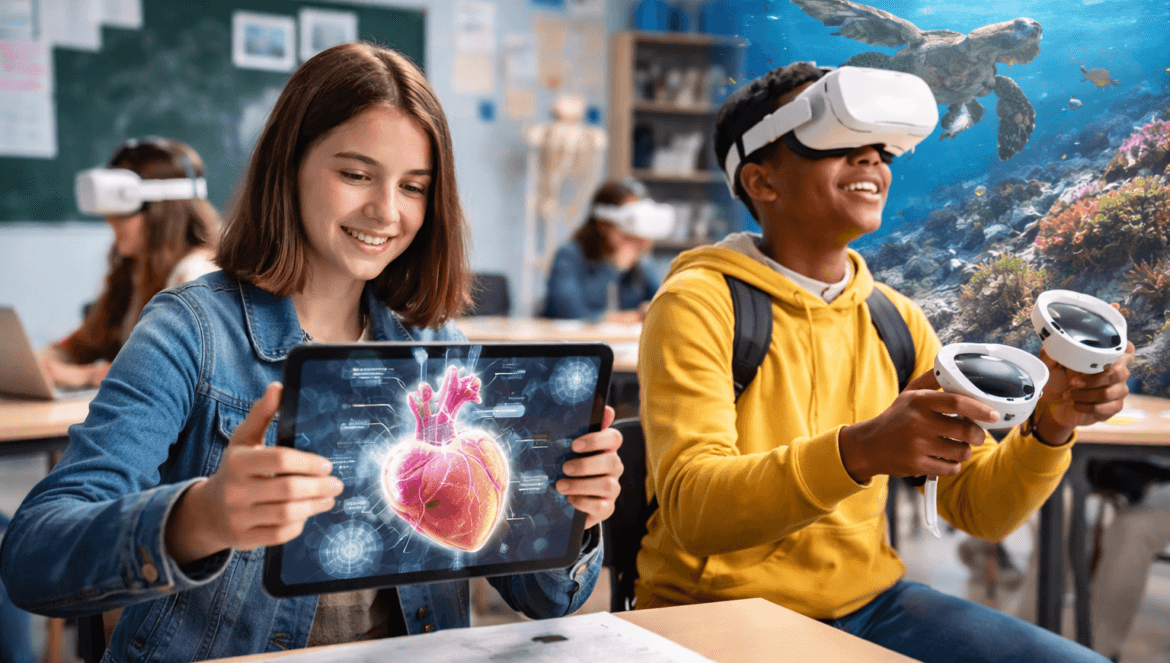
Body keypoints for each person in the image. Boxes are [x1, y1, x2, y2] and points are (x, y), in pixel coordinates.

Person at [0, 42, 622, 659]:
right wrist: (200, 517)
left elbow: (546, 600)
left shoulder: (438, 350)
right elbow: (33, 557)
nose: (385, 211)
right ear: (290, 166)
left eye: (413, 187)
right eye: (355, 175)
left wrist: (575, 515)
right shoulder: (192, 331)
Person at [634, 61, 1134, 663]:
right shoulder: (699, 302)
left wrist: (1052, 424)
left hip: (871, 601)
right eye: (836, 139)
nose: (870, 158)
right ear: (762, 182)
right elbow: (694, 510)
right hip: (714, 611)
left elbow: (977, 507)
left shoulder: (895, 318)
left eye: (880, 148)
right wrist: (859, 452)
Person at [40, 137, 221, 389]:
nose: (110, 220)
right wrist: (43, 360)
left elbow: (172, 373)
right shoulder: (133, 271)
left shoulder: (194, 275)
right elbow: (82, 344)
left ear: (162, 211)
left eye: (121, 209)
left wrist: (87, 376)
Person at [542, 180, 671, 323]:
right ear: (604, 224)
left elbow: (661, 302)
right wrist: (613, 268)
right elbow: (569, 312)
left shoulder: (639, 264)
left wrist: (651, 309)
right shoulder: (569, 255)